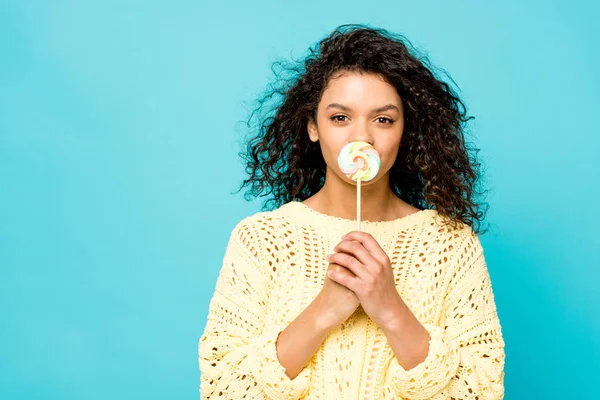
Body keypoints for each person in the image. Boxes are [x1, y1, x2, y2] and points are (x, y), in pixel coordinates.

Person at [198, 24, 505, 400]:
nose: (362, 138)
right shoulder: (261, 239)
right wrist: (325, 310)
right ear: (312, 126)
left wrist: (390, 308)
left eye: (383, 119)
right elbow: (222, 391)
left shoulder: (451, 244)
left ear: (406, 130)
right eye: (340, 117)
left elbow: (482, 392)